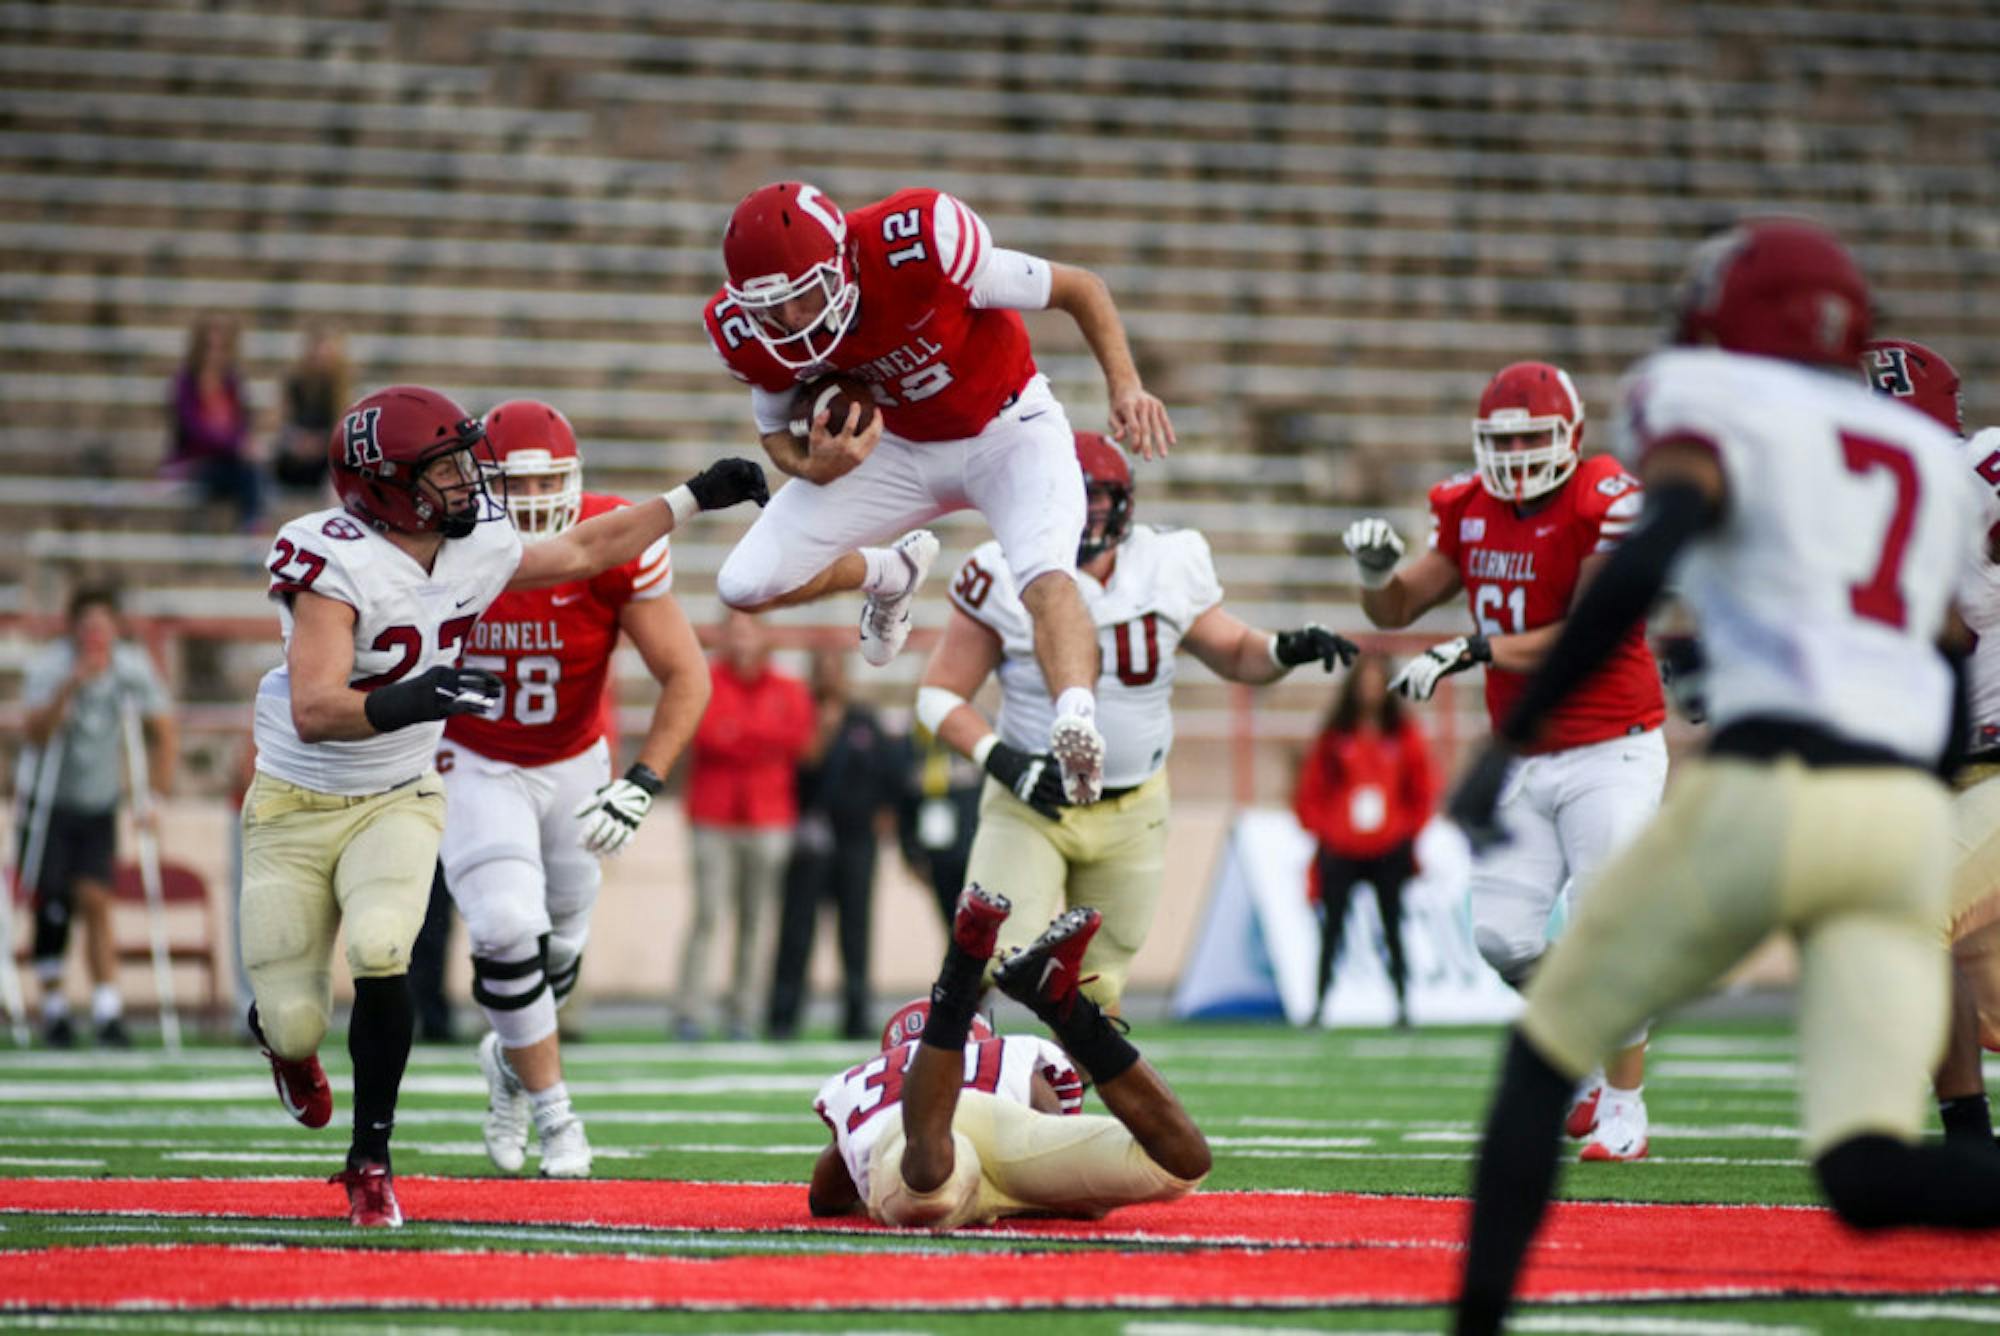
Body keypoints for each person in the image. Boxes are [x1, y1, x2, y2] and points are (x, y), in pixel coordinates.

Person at [1447, 219, 2000, 1336]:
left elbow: (1649, 553)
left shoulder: (1719, 403)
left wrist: (1512, 735)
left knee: (1544, 1047)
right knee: (1864, 1172)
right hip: (1892, 807)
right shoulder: (1929, 474)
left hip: (1768, 784)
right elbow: (1943, 648)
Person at [242, 383, 764, 1227]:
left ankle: (425, 1121)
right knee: (341, 1002)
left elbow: (586, 548)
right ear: (387, 486)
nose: (471, 488)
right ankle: (515, 1107)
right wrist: (421, 697)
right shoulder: (328, 554)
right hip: (355, 785)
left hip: (455, 782)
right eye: (446, 471)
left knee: (471, 952)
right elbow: (315, 708)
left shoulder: (479, 541)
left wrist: (693, 495)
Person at [703, 181, 1179, 808]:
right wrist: (820, 465)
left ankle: (1075, 719)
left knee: (1044, 575)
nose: (793, 321)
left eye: (806, 296)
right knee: (742, 584)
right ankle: (888, 572)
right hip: (894, 447)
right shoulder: (744, 328)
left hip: (1007, 428)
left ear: (842, 260)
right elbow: (776, 440)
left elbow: (1079, 287)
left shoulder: (922, 242)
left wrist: (1125, 386)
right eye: (775, 309)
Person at [1344, 361, 1666, 1162]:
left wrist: (1474, 648)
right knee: (1501, 937)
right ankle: (1589, 1056)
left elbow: (1588, 629)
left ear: (1571, 436)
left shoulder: (1603, 494)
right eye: (1504, 439)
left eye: (1532, 437)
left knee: (1607, 926)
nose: (1517, 453)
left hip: (1611, 746)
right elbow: (1397, 607)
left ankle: (1626, 1106)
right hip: (1525, 754)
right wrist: (1375, 573)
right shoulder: (1467, 505)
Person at [916, 432, 1356, 1013]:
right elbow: (937, 696)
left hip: (1134, 808)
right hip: (1031, 802)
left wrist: (1283, 649)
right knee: (988, 957)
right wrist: (1005, 761)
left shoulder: (1167, 562)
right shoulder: (999, 568)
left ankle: (1062, 1104)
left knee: (1099, 992)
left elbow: (1234, 651)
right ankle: (948, 1090)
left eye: (1095, 504)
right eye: (1070, 502)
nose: (1083, 521)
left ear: (1122, 506)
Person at [435, 397, 712, 1178]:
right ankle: (556, 1116)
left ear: (575, 480)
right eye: (512, 487)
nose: (530, 504)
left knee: (559, 953)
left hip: (572, 761)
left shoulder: (611, 539)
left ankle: (509, 1062)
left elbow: (685, 674)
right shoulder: (442, 539)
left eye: (546, 484)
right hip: (476, 758)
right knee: (503, 927)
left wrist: (644, 781)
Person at [808, 884, 1210, 1229]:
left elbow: (824, 1197)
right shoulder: (1009, 1049)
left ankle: (962, 970)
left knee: (929, 1190)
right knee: (1183, 1164)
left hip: (916, 1135)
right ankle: (1068, 1010)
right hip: (1002, 1129)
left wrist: (850, 1164)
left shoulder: (864, 1080)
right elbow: (1052, 1124)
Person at [1861, 336, 2000, 1151]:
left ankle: (1969, 1144)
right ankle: (1970, 1139)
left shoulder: (1973, 469)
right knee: (1981, 1009)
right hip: (1955, 778)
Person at [19, 585, 177, 1048]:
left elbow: (162, 728)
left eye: (103, 626)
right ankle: (54, 1009)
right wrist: (71, 686)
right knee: (52, 905)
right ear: (73, 628)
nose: (95, 635)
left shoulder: (130, 668)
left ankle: (107, 1009)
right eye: (86, 626)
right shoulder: (50, 667)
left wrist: (155, 796)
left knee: (96, 899)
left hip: (97, 804)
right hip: (46, 803)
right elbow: (34, 733)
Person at [676, 610, 815, 1041]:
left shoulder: (787, 688)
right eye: (733, 630)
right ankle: (690, 1012)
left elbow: (801, 742)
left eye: (749, 629)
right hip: (713, 813)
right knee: (707, 916)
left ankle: (742, 1013)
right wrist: (758, 739)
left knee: (757, 920)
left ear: (764, 635)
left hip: (769, 816)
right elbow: (702, 735)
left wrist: (738, 735)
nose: (741, 639)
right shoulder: (704, 681)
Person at [767, 647, 908, 1041]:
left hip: (857, 841)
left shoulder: (863, 720)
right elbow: (793, 772)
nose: (829, 676)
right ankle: (783, 1015)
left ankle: (856, 1014)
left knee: (856, 930)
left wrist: (887, 811)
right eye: (822, 667)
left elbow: (890, 770)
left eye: (834, 668)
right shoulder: (800, 714)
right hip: (810, 840)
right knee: (797, 930)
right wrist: (820, 735)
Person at [1292, 650, 1437, 1028]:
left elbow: (1422, 789)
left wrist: (1406, 831)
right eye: (1365, 682)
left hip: (1388, 848)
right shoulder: (1336, 736)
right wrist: (1326, 829)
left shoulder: (1403, 735)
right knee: (1333, 929)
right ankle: (1320, 1004)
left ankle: (1404, 1003)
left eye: (1377, 683)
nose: (1370, 691)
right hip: (1341, 849)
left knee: (1392, 926)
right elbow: (1312, 788)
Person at [167, 310, 263, 531]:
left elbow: (242, 424)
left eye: (221, 347)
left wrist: (241, 445)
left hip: (228, 463)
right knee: (247, 473)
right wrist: (235, 445)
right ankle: (253, 528)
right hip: (196, 461)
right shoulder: (186, 382)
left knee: (250, 471)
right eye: (210, 347)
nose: (215, 354)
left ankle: (253, 527)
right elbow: (193, 431)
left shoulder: (232, 382)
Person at [897, 726, 986, 928]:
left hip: (975, 848)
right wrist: (911, 854)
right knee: (952, 925)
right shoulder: (913, 742)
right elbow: (903, 804)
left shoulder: (975, 734)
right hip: (937, 854)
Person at [271, 322, 350, 500]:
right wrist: (297, 441)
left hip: (327, 457)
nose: (321, 358)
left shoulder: (342, 389)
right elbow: (280, 423)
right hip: (296, 454)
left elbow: (344, 429)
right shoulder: (295, 383)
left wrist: (320, 443)